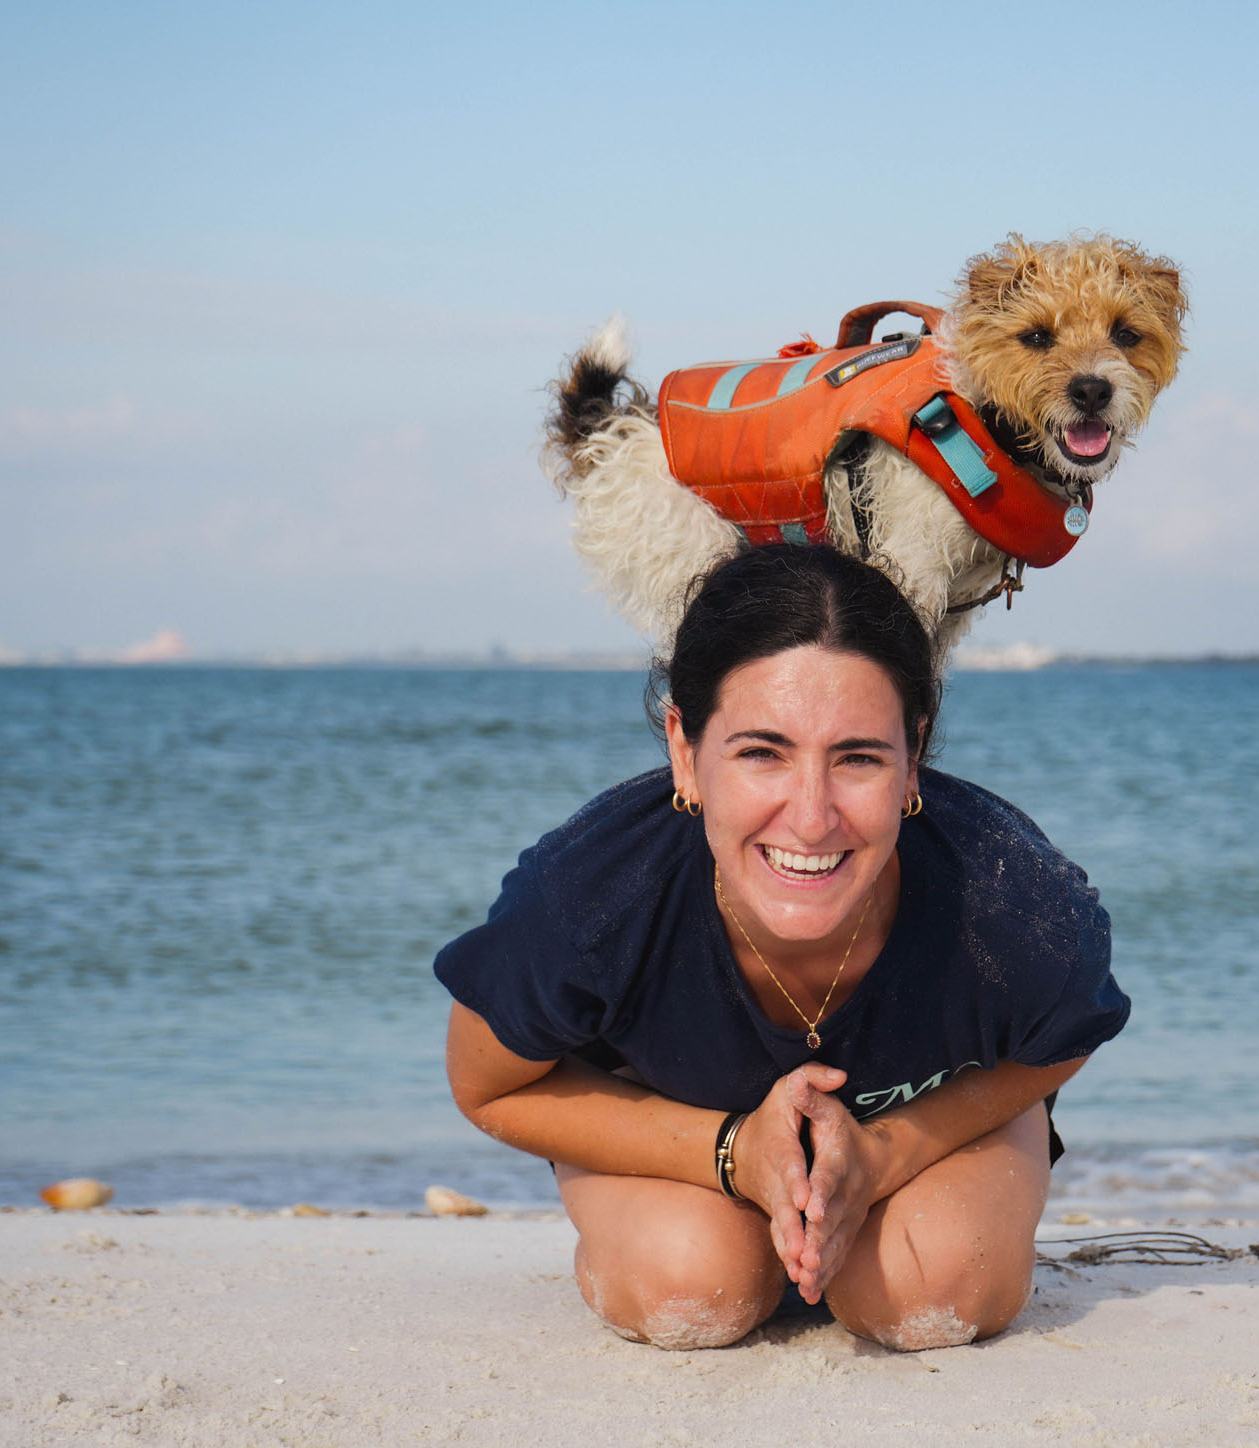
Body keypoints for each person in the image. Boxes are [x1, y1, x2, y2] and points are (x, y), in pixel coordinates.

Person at [436, 546, 1129, 1351]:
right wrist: (730, 1153)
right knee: (694, 1286)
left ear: (914, 761)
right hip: (678, 1139)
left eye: (859, 758)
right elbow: (485, 1086)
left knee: (927, 1290)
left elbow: (1066, 1037)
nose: (810, 817)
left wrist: (887, 1150)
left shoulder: (1014, 901)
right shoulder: (586, 902)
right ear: (684, 753)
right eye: (762, 753)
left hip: (930, 1128)